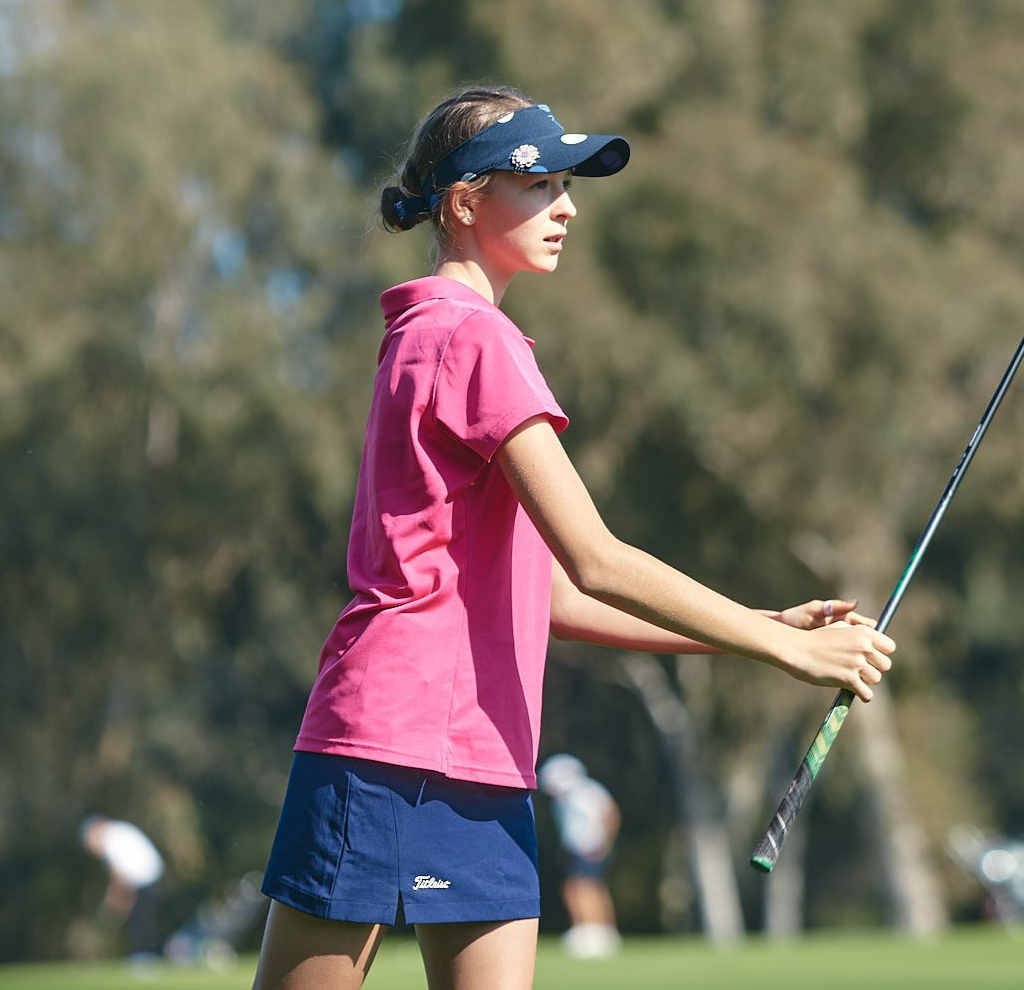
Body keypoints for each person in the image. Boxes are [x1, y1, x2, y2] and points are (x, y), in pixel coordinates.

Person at [252, 87, 895, 990]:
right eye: (541, 183)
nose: (568, 206)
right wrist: (784, 653)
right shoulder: (475, 336)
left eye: (568, 184)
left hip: (485, 754)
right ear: (465, 203)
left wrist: (769, 627)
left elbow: (554, 592)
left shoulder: (441, 333)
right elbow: (597, 556)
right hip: (389, 744)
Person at [535, 754, 621, 958]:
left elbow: (610, 813)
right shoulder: (564, 800)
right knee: (576, 888)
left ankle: (597, 932)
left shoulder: (585, 792)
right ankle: (589, 930)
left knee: (585, 888)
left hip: (591, 847)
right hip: (577, 849)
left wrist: (604, 842)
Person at [80, 813, 165, 959]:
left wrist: (114, 899)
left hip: (146, 877)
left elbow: (119, 875)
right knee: (142, 919)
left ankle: (143, 957)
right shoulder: (117, 830)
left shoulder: (110, 837)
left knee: (140, 921)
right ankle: (144, 955)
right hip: (150, 875)